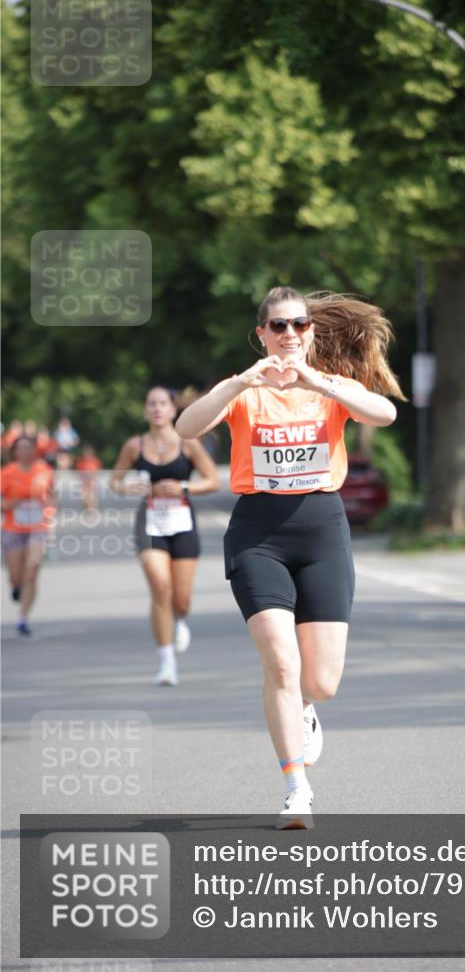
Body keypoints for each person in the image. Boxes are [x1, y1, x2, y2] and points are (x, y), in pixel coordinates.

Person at [176, 287, 406, 829]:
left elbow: (385, 414)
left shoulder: (329, 388)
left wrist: (319, 381)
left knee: (320, 682)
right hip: (259, 534)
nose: (289, 335)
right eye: (278, 326)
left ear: (310, 332)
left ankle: (306, 709)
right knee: (281, 661)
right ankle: (295, 787)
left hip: (322, 530)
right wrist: (239, 381)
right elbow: (186, 427)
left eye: (299, 325)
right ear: (261, 334)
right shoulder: (243, 391)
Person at [110, 387, 220, 685]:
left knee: (180, 599)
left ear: (173, 410)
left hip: (183, 521)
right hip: (150, 522)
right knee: (160, 588)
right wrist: (129, 488)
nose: (158, 409)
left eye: (163, 404)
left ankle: (181, 620)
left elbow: (212, 480)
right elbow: (115, 481)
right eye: (152, 404)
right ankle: (167, 663)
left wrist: (183, 487)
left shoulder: (189, 444)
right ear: (145, 410)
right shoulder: (135, 445)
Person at [1, 435, 56, 636]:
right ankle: (16, 587)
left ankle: (22, 618)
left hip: (37, 529)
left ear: (35, 450)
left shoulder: (45, 472)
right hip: (13, 530)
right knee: (17, 577)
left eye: (29, 448)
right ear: (15, 451)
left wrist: (50, 514)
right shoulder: (6, 473)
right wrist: (8, 505)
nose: (25, 452)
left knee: (31, 572)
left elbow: (52, 497)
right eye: (21, 448)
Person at [75, 445, 103, 511]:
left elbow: (98, 472)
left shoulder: (95, 461)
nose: (86, 454)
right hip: (83, 483)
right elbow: (79, 473)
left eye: (88, 453)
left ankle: (92, 510)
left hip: (92, 482)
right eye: (85, 452)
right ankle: (86, 509)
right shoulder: (80, 462)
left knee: (91, 497)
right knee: (83, 498)